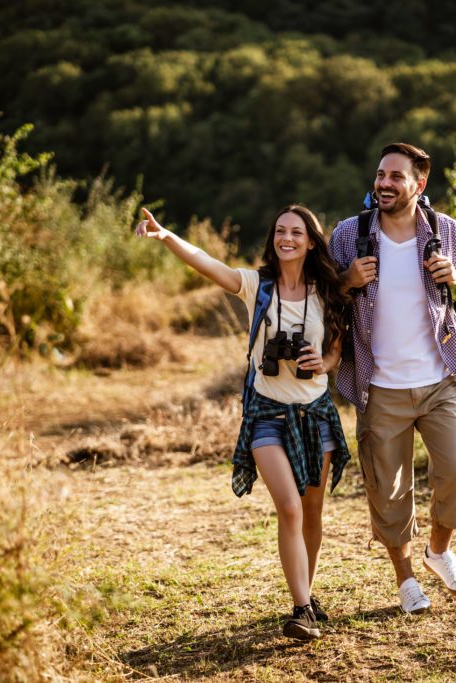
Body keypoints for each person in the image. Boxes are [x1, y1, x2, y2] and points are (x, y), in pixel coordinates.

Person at [135, 204, 351, 640]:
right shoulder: (258, 286)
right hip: (266, 411)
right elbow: (207, 263)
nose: (285, 238)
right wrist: (168, 237)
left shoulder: (327, 291)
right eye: (279, 231)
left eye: (296, 232)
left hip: (315, 413)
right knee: (288, 508)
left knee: (312, 512)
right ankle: (302, 607)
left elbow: (336, 351)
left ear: (311, 241)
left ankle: (306, 592)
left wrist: (322, 363)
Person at [329, 142, 456, 614]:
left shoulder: (442, 230)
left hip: (439, 378)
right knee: (388, 490)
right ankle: (405, 581)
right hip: (379, 387)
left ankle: (438, 552)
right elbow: (322, 288)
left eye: (395, 177)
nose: (383, 183)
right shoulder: (348, 234)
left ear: (419, 185)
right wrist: (347, 282)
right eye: (381, 174)